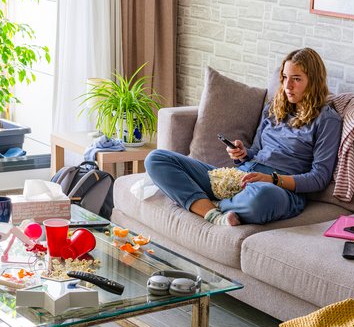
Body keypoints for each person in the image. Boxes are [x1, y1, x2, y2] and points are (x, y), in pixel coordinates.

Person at [145, 48, 342, 226]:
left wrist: (272, 179)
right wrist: (242, 154)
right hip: (242, 177)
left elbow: (319, 178)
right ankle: (214, 213)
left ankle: (206, 203)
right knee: (156, 159)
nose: (288, 85)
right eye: (284, 77)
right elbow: (256, 152)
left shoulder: (327, 119)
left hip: (280, 189)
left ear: (314, 81)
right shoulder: (275, 108)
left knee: (261, 198)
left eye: (296, 79)